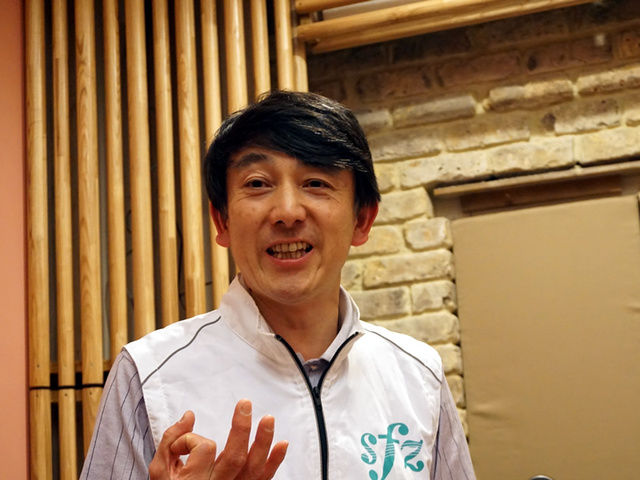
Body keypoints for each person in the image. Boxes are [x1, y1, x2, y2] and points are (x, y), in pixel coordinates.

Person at [80, 90, 476, 480]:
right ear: (222, 221)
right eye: (257, 183)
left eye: (316, 182)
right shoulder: (148, 375)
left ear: (361, 220)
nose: (287, 212)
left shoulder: (418, 374)